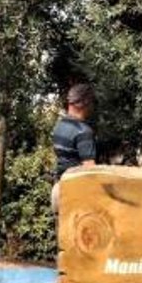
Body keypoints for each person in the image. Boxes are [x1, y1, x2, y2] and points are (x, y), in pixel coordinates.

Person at [51, 83, 97, 212]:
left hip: (59, 188)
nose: (93, 107)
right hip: (75, 194)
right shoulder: (83, 131)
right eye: (92, 102)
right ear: (85, 103)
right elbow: (90, 169)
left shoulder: (59, 126)